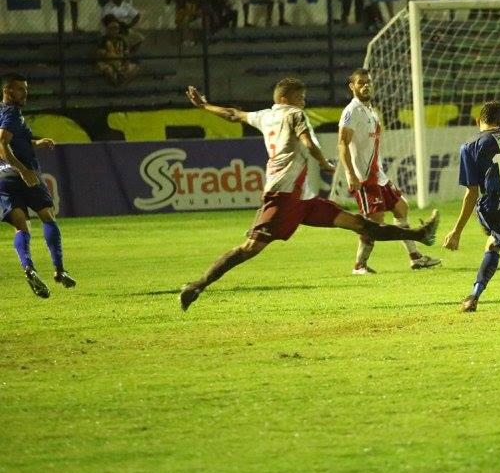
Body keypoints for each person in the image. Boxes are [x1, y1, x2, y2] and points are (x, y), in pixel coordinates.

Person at [179, 78, 440, 310]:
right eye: (299, 96)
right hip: (282, 197)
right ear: (285, 99)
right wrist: (324, 162)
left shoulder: (264, 116)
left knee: (361, 223)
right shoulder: (294, 114)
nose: (303, 100)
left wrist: (204, 107)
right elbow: (306, 140)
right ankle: (198, 285)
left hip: (304, 199)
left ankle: (420, 234)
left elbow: (233, 114)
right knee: (250, 248)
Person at [338, 69, 441, 274]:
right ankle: (360, 265)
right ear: (352, 87)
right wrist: (350, 174)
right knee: (374, 224)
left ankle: (416, 257)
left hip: (379, 175)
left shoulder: (371, 110)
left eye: (368, 82)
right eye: (360, 83)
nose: (366, 86)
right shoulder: (352, 111)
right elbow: (342, 143)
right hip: (364, 177)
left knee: (401, 207)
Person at [442, 101, 500, 312]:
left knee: (489, 230)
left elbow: (471, 193)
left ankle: (474, 295)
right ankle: (474, 293)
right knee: (493, 244)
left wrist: (456, 231)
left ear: (478, 121)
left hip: (496, 209)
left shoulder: (470, 146)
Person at [0, 74, 76, 298]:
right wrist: (24, 171)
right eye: (21, 89)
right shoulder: (11, 113)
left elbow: (14, 139)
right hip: (22, 174)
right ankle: (59, 270)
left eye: (26, 88)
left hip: (2, 178)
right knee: (47, 217)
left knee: (21, 227)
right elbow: (3, 143)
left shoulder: (7, 113)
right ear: (8, 91)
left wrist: (36, 142)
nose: (26, 93)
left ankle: (29, 268)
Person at [96, 16, 140, 86]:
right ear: (107, 29)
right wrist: (116, 68)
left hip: (120, 62)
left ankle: (122, 84)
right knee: (108, 70)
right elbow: (104, 56)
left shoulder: (122, 40)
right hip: (108, 63)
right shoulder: (103, 41)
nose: (115, 31)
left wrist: (126, 64)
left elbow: (126, 55)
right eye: (112, 29)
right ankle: (116, 84)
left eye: (116, 28)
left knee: (135, 68)